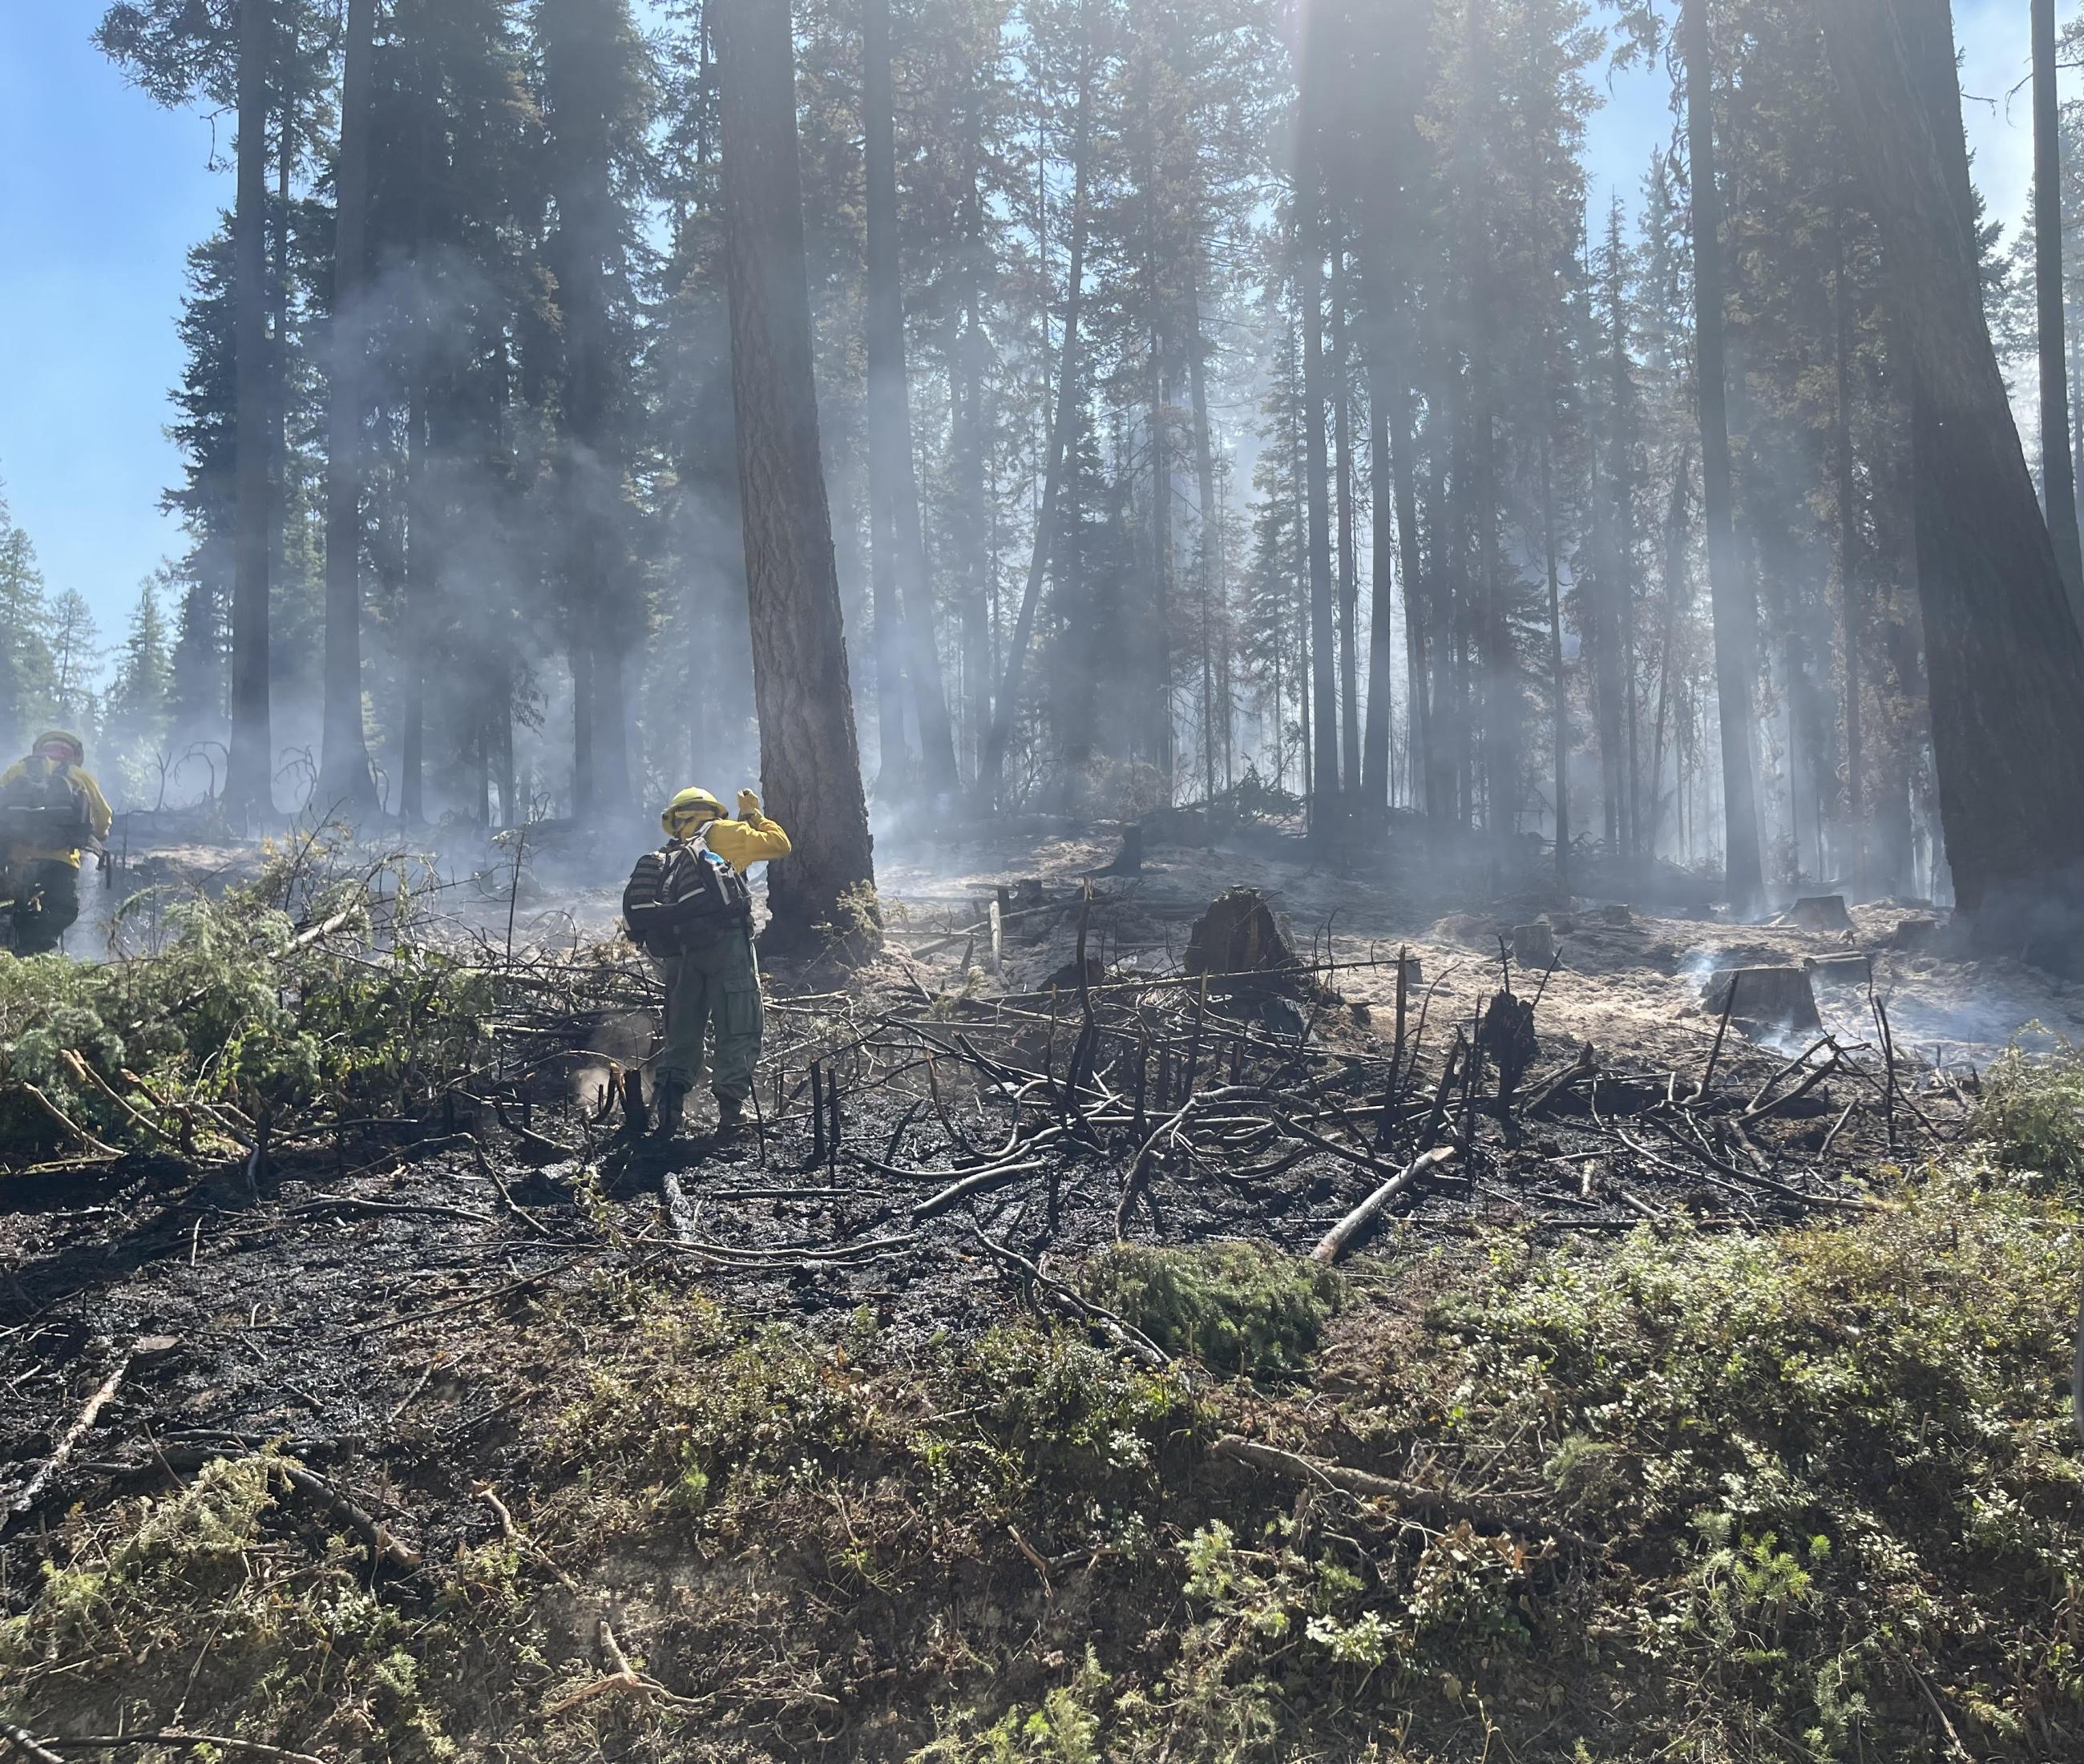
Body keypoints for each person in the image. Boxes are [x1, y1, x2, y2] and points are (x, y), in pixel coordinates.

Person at [622, 786, 791, 1139]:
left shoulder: (666, 856)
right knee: (738, 1022)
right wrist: (753, 815)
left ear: (676, 820)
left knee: (681, 1030)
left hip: (679, 955)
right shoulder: (722, 833)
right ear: (711, 811)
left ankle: (669, 1111)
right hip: (726, 947)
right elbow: (779, 844)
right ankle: (731, 1113)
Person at [0, 730, 113, 957]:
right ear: (73, 754)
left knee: (13, 903)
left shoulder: (17, 770)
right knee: (63, 910)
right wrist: (100, 834)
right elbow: (103, 820)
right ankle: (27, 947)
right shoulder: (80, 776)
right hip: (60, 861)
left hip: (16, 859)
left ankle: (10, 934)